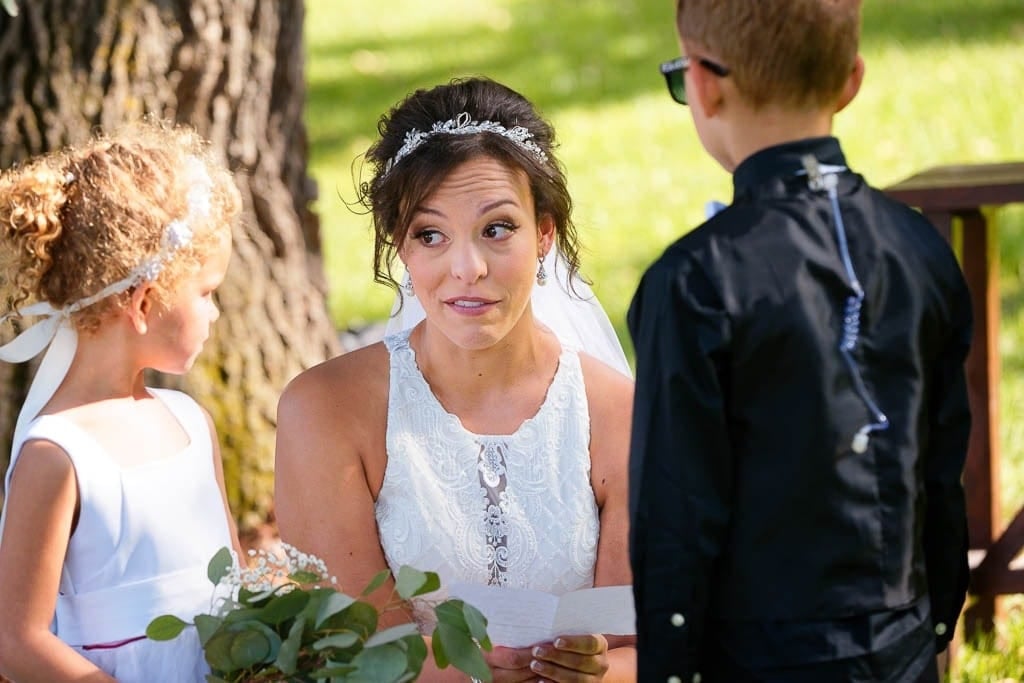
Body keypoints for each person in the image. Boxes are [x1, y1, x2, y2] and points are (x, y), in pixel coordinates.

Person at [627, 1, 973, 681]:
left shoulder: (694, 280)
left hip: (757, 659)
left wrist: (669, 669)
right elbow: (941, 463)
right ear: (851, 80)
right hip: (903, 643)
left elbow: (676, 513)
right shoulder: (921, 247)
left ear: (703, 84)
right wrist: (933, 623)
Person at [275, 77, 637, 682]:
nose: (466, 269)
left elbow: (642, 647)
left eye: (497, 229)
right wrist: (462, 669)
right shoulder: (326, 410)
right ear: (401, 245)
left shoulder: (620, 414)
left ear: (544, 233)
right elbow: (345, 653)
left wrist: (597, 673)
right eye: (430, 235)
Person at [0, 119, 244, 682]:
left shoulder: (190, 423)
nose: (215, 313)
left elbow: (234, 578)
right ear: (142, 302)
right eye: (206, 293)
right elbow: (17, 640)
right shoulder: (57, 456)